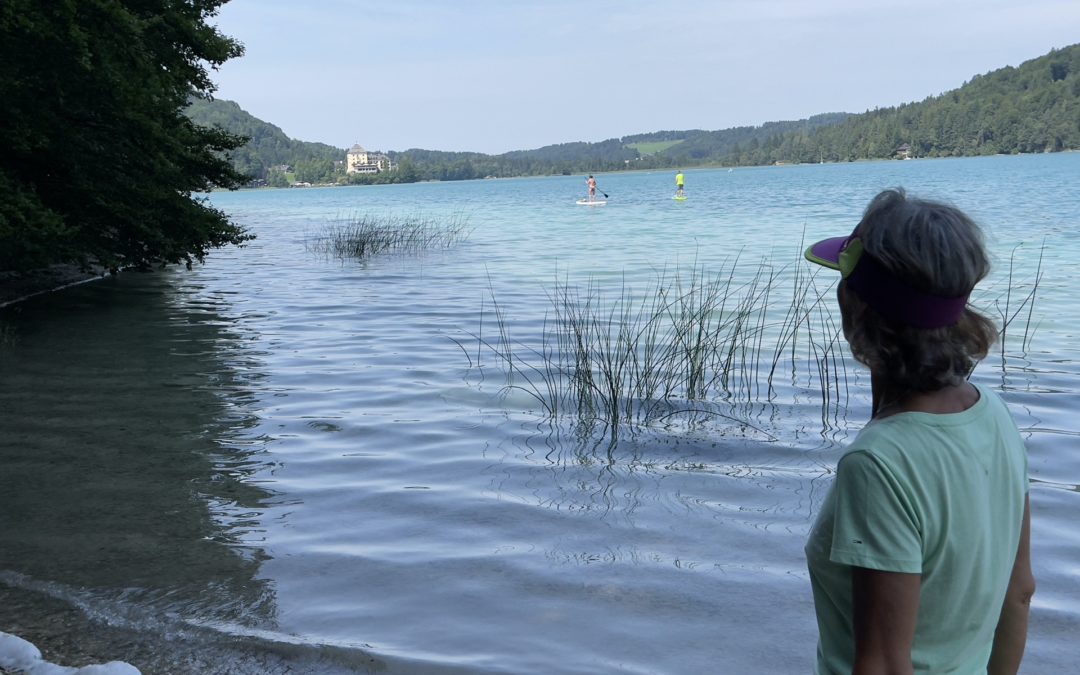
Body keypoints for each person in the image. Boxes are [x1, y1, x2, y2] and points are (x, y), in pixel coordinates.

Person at [803, 188, 1034, 674]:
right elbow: (1018, 593)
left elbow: (885, 664)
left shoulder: (878, 464)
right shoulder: (994, 416)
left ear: (854, 311)